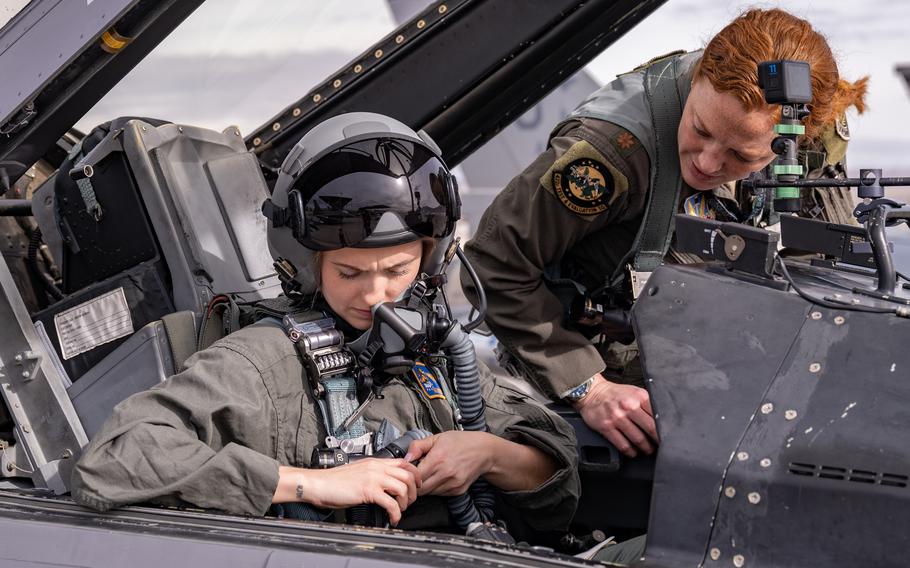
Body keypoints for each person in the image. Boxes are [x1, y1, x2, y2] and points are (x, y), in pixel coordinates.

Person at [70, 113, 580, 539]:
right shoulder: (266, 361)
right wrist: (307, 484)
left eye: (397, 271)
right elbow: (114, 459)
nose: (376, 295)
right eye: (349, 272)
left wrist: (486, 454)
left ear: (429, 262)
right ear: (307, 263)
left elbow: (558, 477)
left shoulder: (435, 352)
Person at [460, 8, 869, 458]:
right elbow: (492, 264)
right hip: (612, 369)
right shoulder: (610, 156)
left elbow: (821, 263)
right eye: (700, 129)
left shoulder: (808, 129)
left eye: (740, 155)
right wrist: (588, 387)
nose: (708, 163)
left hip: (728, 356)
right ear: (697, 78)